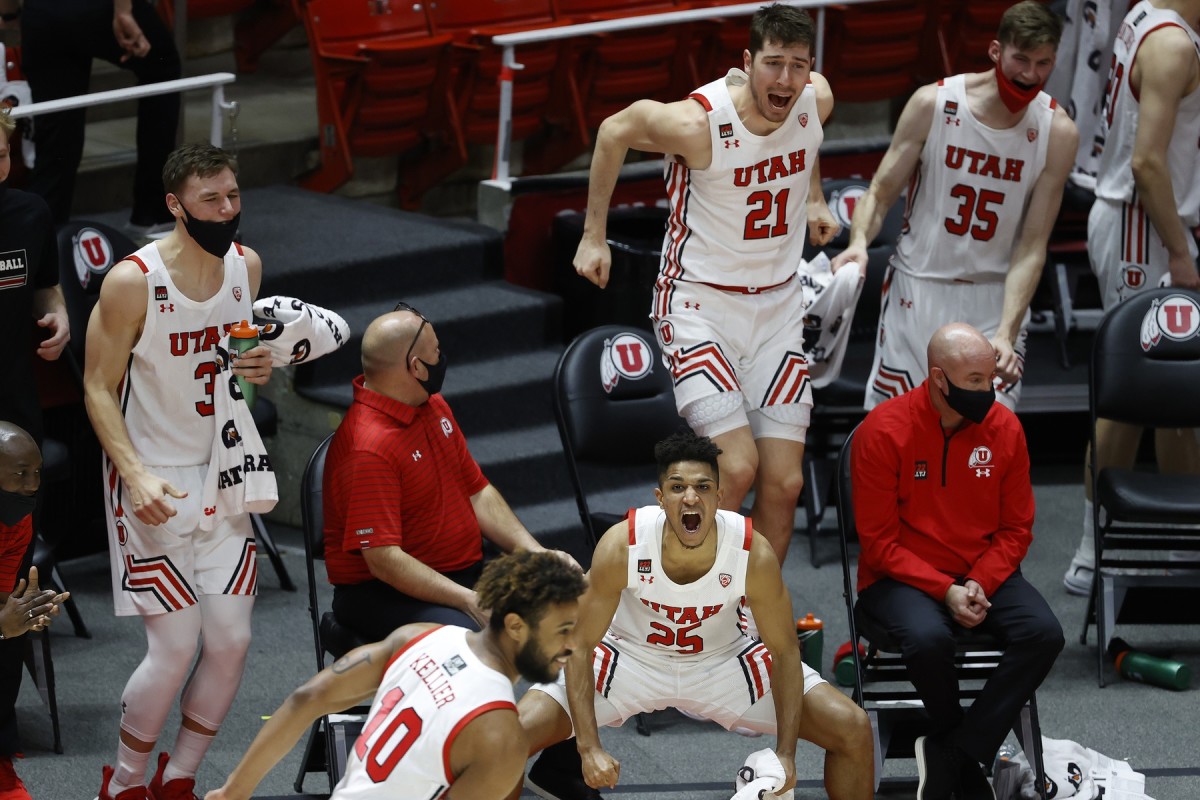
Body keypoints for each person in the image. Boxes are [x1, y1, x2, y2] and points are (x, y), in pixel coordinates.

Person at [572, 3, 840, 564]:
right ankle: (679, 602)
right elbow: (612, 130)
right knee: (736, 467)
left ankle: (751, 618)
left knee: (785, 484)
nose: (786, 80)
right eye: (773, 64)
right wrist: (593, 235)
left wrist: (813, 195)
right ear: (747, 62)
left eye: (798, 65)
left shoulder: (816, 97)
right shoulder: (698, 123)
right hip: (699, 304)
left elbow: (806, 134)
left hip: (779, 307)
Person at [512, 431, 875, 800]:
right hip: (629, 660)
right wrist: (588, 747)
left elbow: (784, 652)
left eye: (702, 487)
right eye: (677, 487)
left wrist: (786, 754)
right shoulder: (623, 545)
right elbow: (580, 644)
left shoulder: (753, 554)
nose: (690, 497)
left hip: (723, 662)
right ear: (660, 497)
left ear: (719, 497)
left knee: (852, 728)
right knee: (512, 734)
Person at [83, 143, 274, 800]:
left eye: (233, 196)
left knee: (232, 641)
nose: (227, 210)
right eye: (211, 200)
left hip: (224, 473)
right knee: (174, 646)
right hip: (154, 476)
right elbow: (96, 386)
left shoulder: (246, 267)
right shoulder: (132, 280)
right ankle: (125, 783)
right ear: (175, 205)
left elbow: (239, 367)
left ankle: (180, 780)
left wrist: (255, 372)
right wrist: (133, 475)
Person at [851, 323, 1064, 800]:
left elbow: (1016, 531)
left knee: (1044, 633)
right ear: (938, 378)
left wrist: (979, 582)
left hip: (983, 570)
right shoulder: (883, 431)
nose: (986, 391)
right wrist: (944, 590)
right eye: (973, 381)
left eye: (991, 379)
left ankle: (958, 751)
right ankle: (959, 747)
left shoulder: (1005, 428)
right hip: (897, 579)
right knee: (928, 638)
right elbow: (879, 543)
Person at [831, 1, 1078, 412]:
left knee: (985, 442)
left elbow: (1033, 246)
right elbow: (880, 191)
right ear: (996, 51)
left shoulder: (1058, 132)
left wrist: (1007, 331)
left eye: (1043, 63)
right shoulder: (935, 104)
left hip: (995, 296)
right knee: (899, 433)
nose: (1030, 75)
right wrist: (858, 242)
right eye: (1021, 59)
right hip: (921, 285)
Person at [202, 550, 587, 800]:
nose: (572, 645)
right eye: (562, 631)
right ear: (516, 626)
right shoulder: (501, 736)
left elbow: (307, 699)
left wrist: (233, 791)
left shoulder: (418, 636)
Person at [324, 305, 579, 643]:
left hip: (462, 572)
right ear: (416, 367)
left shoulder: (432, 405)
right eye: (437, 352)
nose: (442, 357)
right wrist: (467, 599)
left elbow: (477, 492)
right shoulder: (368, 447)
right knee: (472, 641)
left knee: (569, 596)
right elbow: (384, 560)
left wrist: (535, 553)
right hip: (383, 592)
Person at [1062, 0, 1200, 595]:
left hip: (1137, 220)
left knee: (1178, 389)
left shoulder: (1144, 12)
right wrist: (1180, 252)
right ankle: (1092, 553)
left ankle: (1181, 545)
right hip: (1143, 227)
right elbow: (1147, 163)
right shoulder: (1172, 45)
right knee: (1129, 395)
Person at [14, 0, 181, 233]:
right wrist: (123, 11)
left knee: (57, 122)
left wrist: (7, 10)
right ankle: (151, 212)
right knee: (163, 66)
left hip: (40, 11)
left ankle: (41, 234)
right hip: (97, 6)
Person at [0, 422, 69, 800]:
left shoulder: (17, 518)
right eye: (20, 474)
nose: (32, 485)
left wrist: (22, 612)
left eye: (37, 473)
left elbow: (1, 595)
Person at [0, 110, 70, 447]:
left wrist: (57, 313)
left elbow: (44, 286)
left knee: (23, 498)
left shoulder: (31, 213)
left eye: (0, 156)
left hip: (16, 399)